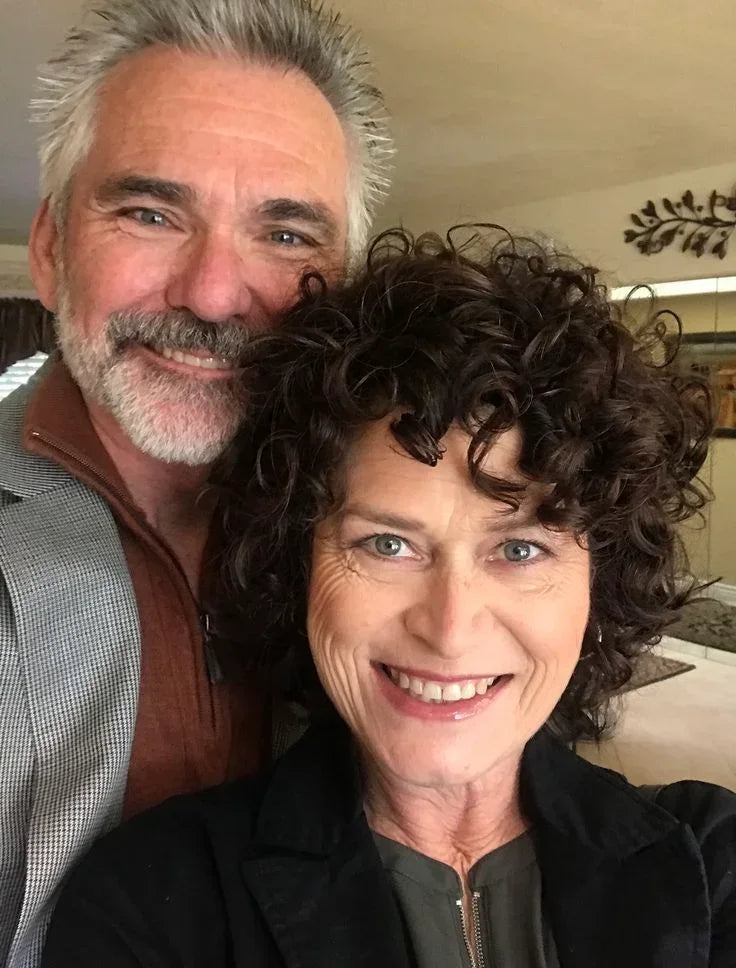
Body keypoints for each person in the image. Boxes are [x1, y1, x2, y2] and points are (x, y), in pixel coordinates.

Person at [42, 228, 736, 967]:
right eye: (387, 545)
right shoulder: (154, 902)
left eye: (519, 550)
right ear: (298, 568)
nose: (449, 629)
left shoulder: (713, 859)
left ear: (599, 587)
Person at [0, 0, 391, 963]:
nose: (214, 295)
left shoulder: (381, 520)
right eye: (150, 213)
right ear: (50, 251)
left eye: (287, 235)